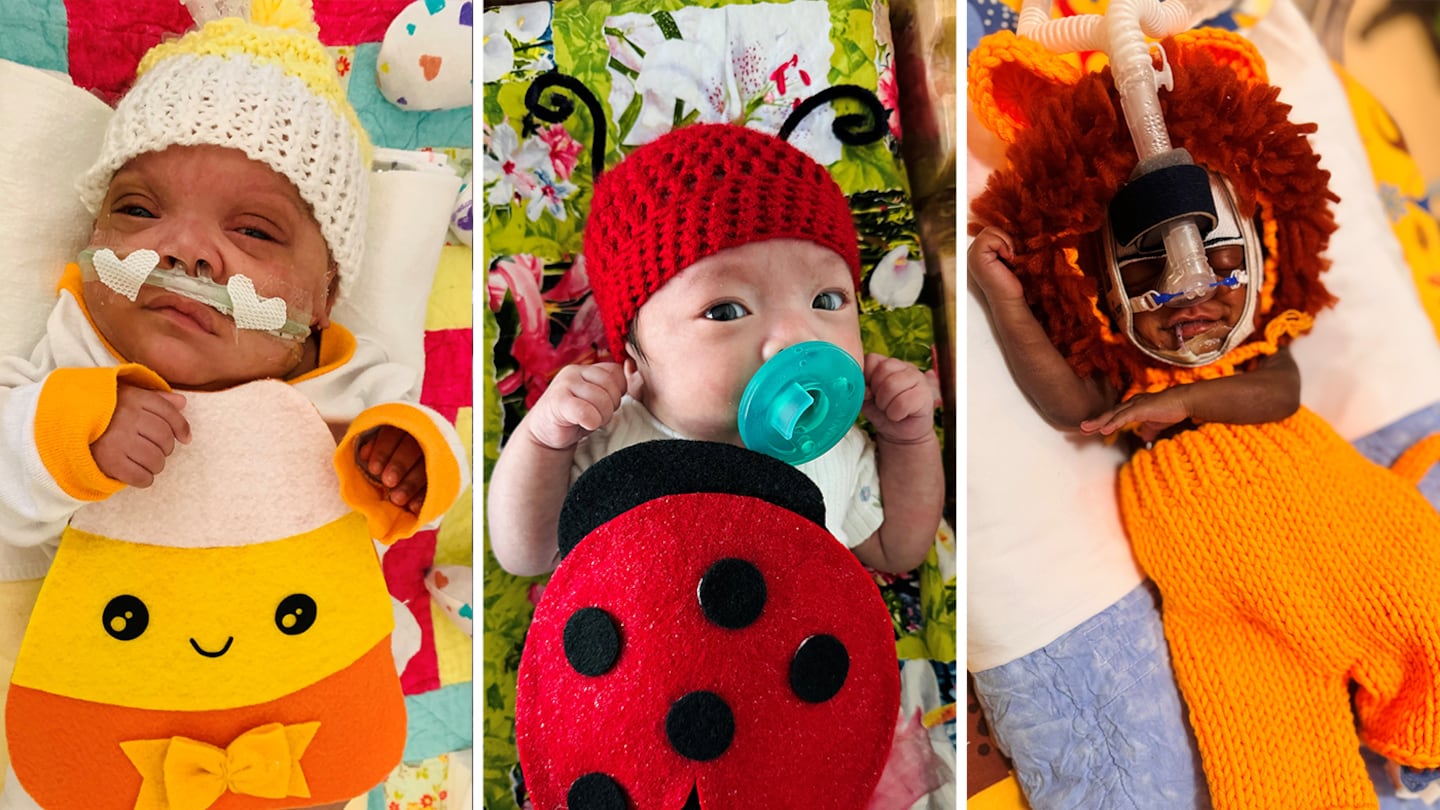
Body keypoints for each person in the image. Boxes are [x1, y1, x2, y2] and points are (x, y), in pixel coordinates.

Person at [0, 2, 467, 807]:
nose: (184, 250)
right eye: (139, 211)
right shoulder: (79, 354)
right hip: (115, 718)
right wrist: (69, 433)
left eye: (253, 231)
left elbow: (421, 488)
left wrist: (408, 461)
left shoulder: (343, 383)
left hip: (314, 705)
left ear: (323, 299)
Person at [969, 154, 1440, 808]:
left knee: (1424, 601)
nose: (1188, 292)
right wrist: (1004, 298)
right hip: (1222, 585)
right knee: (1268, 755)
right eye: (1148, 271)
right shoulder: (1127, 374)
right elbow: (1068, 406)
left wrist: (1191, 403)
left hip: (1345, 524)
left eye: (1216, 264)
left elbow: (1280, 395)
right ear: (1106, 295)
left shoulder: (1256, 350)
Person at [487, 122, 944, 578]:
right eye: (725, 311)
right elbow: (529, 557)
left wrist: (908, 439)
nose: (799, 338)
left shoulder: (834, 450)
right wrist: (544, 441)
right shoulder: (610, 445)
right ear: (631, 362)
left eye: (826, 301)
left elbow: (894, 551)